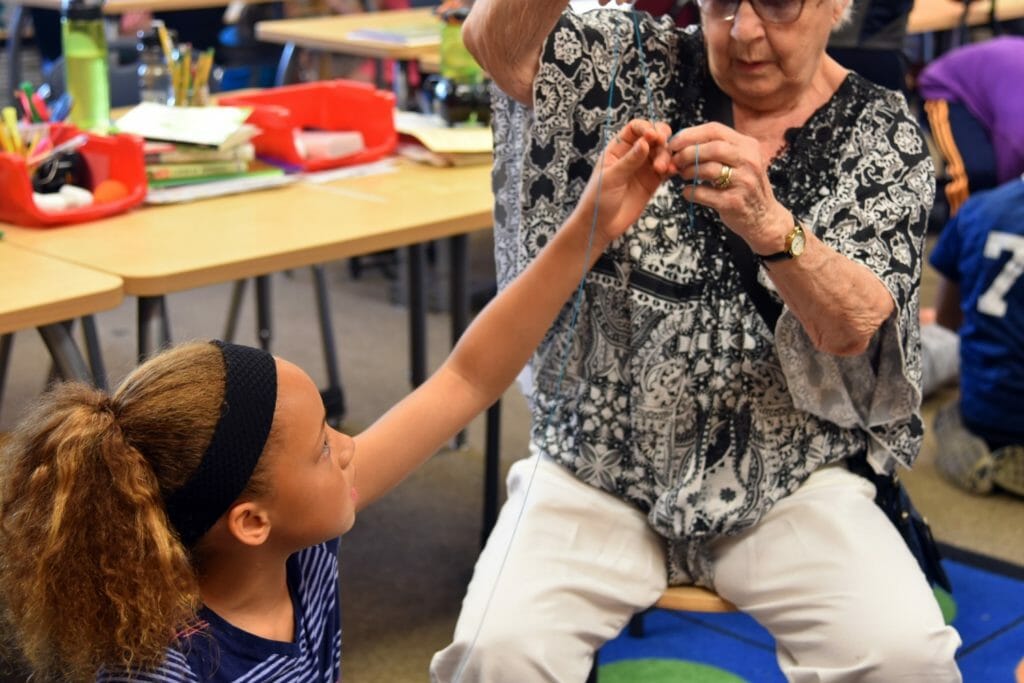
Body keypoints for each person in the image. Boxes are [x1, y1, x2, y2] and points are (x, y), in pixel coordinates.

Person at [0, 118, 669, 682]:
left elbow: (465, 379)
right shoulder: (174, 666)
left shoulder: (297, 548)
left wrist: (592, 226)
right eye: (324, 447)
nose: (349, 446)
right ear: (252, 521)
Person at [432, 0, 963, 681]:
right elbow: (494, 43)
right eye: (720, 2)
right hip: (595, 464)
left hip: (788, 473)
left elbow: (850, 328)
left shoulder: (882, 132)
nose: (742, 30)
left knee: (905, 656)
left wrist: (775, 230)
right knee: (494, 653)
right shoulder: (628, 61)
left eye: (777, 3)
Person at [928, 175, 1024, 497]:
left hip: (986, 406)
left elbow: (946, 321)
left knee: (952, 410)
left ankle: (966, 441)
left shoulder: (977, 208)